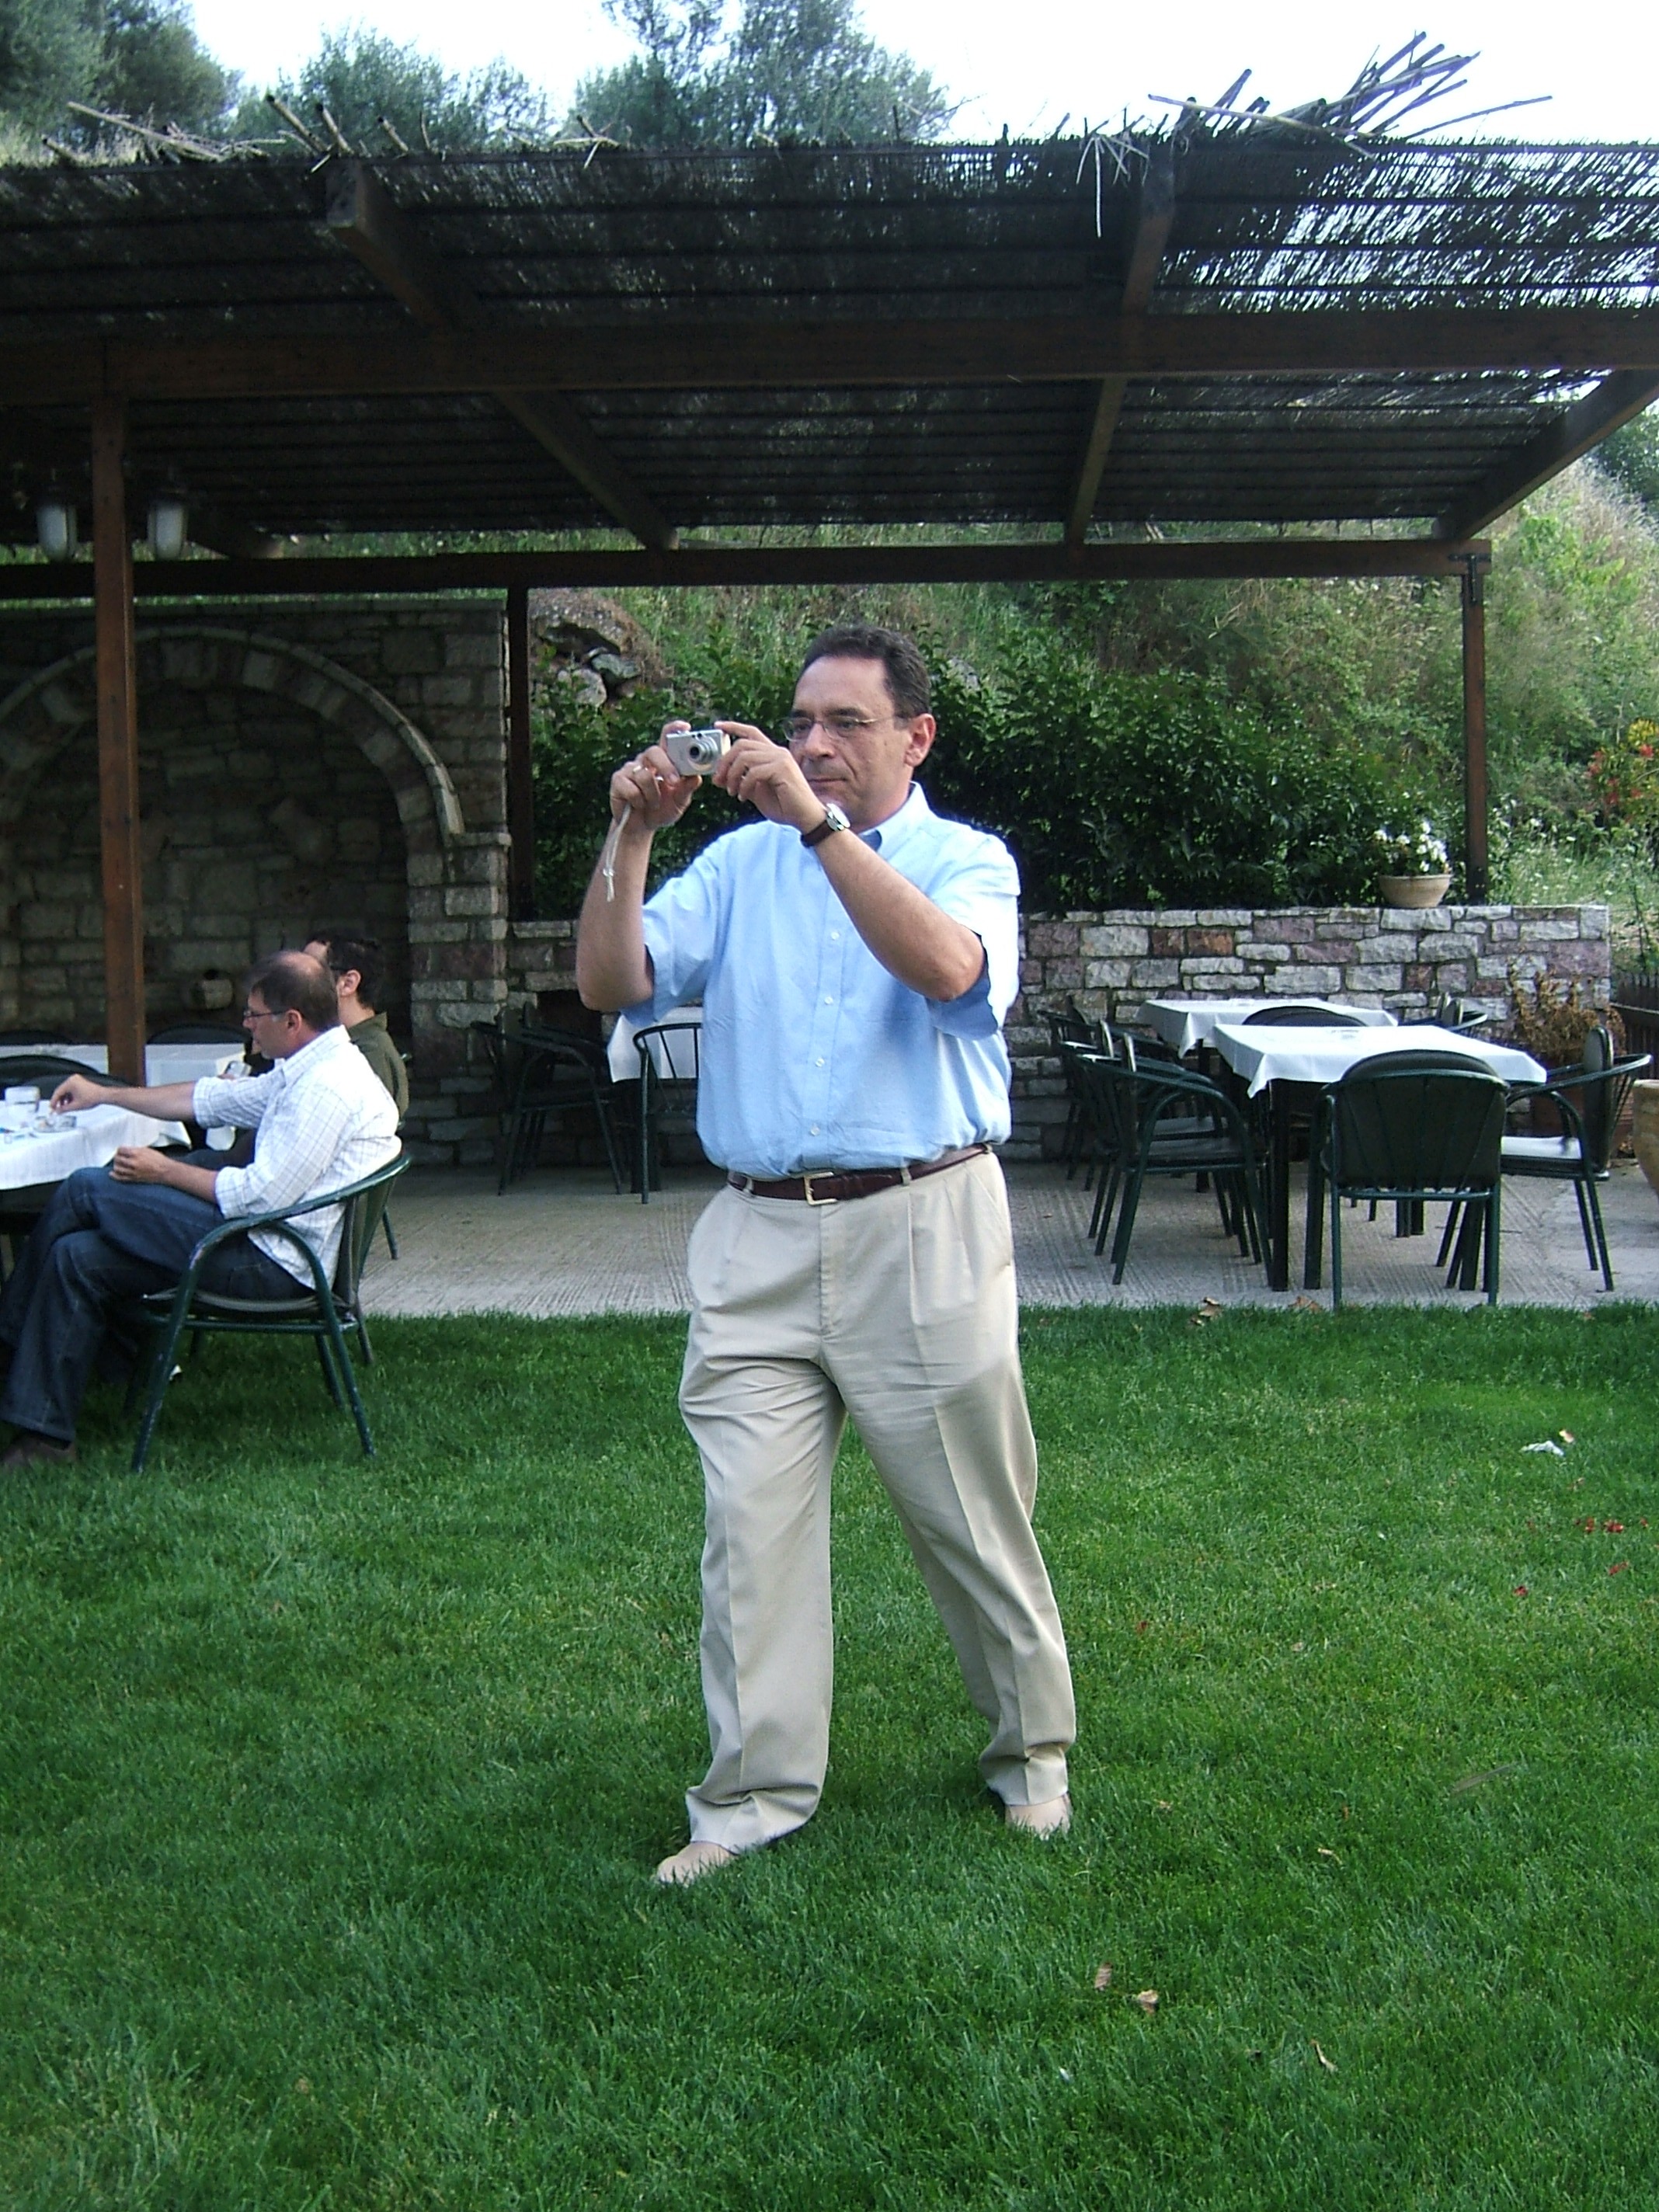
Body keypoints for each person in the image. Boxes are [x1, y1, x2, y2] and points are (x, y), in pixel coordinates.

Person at [576, 622, 1076, 1885]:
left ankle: (1032, 1755)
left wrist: (816, 826)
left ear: (917, 736)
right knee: (749, 1536)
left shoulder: (967, 859)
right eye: (800, 721)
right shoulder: (738, 864)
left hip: (923, 1219)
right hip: (755, 1234)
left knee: (970, 1517)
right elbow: (609, 982)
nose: (813, 742)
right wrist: (630, 834)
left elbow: (951, 971)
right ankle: (749, 1797)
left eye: (846, 722)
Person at [0, 951, 400, 1469]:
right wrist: (105, 1095)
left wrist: (163, 1171)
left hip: (272, 1262)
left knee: (85, 1190)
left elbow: (260, 1195)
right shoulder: (309, 1066)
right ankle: (45, 1440)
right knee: (76, 1256)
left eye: (254, 1015)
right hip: (257, 1238)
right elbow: (210, 1101)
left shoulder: (327, 1089)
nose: (247, 1026)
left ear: (292, 1021)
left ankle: (7, 1343)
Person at [303, 930, 409, 1116]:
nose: (295, 981)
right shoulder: (339, 1043)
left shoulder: (370, 1054)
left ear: (348, 983)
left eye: (310, 972)